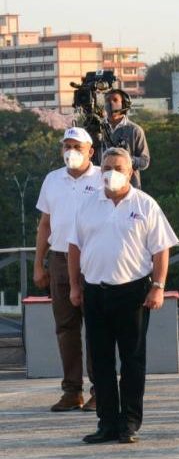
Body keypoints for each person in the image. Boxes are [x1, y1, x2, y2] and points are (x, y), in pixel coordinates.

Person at [67, 147, 178, 444]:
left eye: (118, 167)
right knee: (101, 362)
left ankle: (129, 423)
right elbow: (74, 247)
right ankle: (107, 423)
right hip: (95, 291)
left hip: (133, 293)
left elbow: (161, 248)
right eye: (107, 167)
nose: (112, 172)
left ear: (130, 171)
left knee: (132, 361)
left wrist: (158, 285)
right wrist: (75, 286)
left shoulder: (145, 205)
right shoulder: (87, 204)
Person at [33, 127, 103, 412]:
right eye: (66, 146)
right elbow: (45, 225)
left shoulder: (103, 177)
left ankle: (101, 389)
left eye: (76, 146)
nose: (70, 151)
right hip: (60, 259)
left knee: (97, 327)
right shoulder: (52, 180)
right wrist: (39, 263)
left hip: (94, 259)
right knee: (66, 327)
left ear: (90, 151)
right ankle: (72, 391)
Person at [101, 89, 150, 189]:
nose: (110, 103)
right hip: (102, 187)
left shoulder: (135, 130)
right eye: (107, 100)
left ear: (124, 104)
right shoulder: (97, 128)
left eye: (115, 100)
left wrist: (125, 160)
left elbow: (144, 161)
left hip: (130, 187)